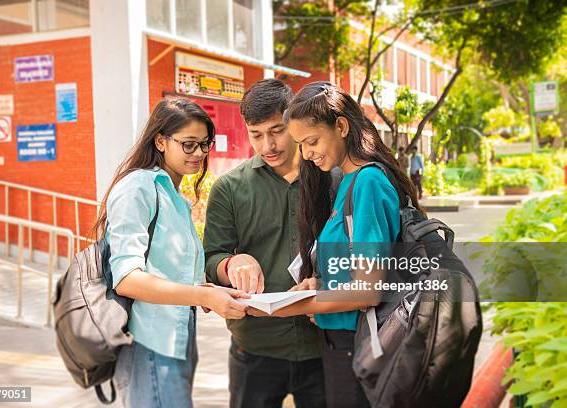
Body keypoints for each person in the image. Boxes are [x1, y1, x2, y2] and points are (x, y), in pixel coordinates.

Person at [248, 82, 424, 408]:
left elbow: (368, 291)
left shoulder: (368, 183)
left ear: (341, 126)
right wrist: (319, 283)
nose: (307, 153)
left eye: (312, 141)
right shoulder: (347, 183)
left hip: (362, 346)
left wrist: (288, 305)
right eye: (301, 144)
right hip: (343, 344)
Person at [94, 98, 250, 408]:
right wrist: (201, 297)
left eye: (205, 145)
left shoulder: (170, 191)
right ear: (161, 141)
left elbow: (167, 269)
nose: (200, 154)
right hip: (149, 342)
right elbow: (126, 278)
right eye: (189, 145)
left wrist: (206, 290)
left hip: (174, 338)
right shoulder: (139, 188)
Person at [204, 79, 326, 408]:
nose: (267, 145)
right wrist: (232, 263)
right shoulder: (229, 188)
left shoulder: (332, 178)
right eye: (256, 134)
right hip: (255, 349)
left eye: (276, 131)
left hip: (324, 346)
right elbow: (211, 259)